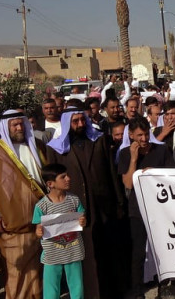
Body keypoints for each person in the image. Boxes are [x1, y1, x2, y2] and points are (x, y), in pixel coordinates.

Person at [46, 106, 127, 298]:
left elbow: (111, 174)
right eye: (75, 121)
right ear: (67, 123)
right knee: (82, 257)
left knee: (106, 252)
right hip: (73, 210)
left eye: (82, 120)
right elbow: (53, 185)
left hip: (103, 207)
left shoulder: (99, 140)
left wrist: (119, 202)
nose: (80, 124)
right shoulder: (55, 148)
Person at [0, 110, 46, 299]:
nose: (19, 128)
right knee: (16, 276)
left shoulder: (38, 146)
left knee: (39, 275)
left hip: (40, 222)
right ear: (6, 127)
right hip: (11, 225)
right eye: (14, 125)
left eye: (21, 124)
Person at [118, 118, 175, 299]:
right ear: (131, 135)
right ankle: (137, 290)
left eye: (146, 134)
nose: (144, 139)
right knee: (138, 251)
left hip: (160, 208)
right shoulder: (126, 153)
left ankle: (164, 287)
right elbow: (128, 183)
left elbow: (172, 176)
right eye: (139, 135)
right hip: (137, 209)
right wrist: (134, 160)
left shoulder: (161, 150)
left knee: (162, 249)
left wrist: (155, 173)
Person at [33, 163, 87, 299]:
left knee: (77, 287)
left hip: (73, 251)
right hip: (52, 255)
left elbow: (82, 219)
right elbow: (37, 229)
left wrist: (82, 221)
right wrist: (38, 231)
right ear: (50, 184)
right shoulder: (41, 206)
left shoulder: (74, 200)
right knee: (51, 289)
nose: (68, 178)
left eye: (67, 175)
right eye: (63, 177)